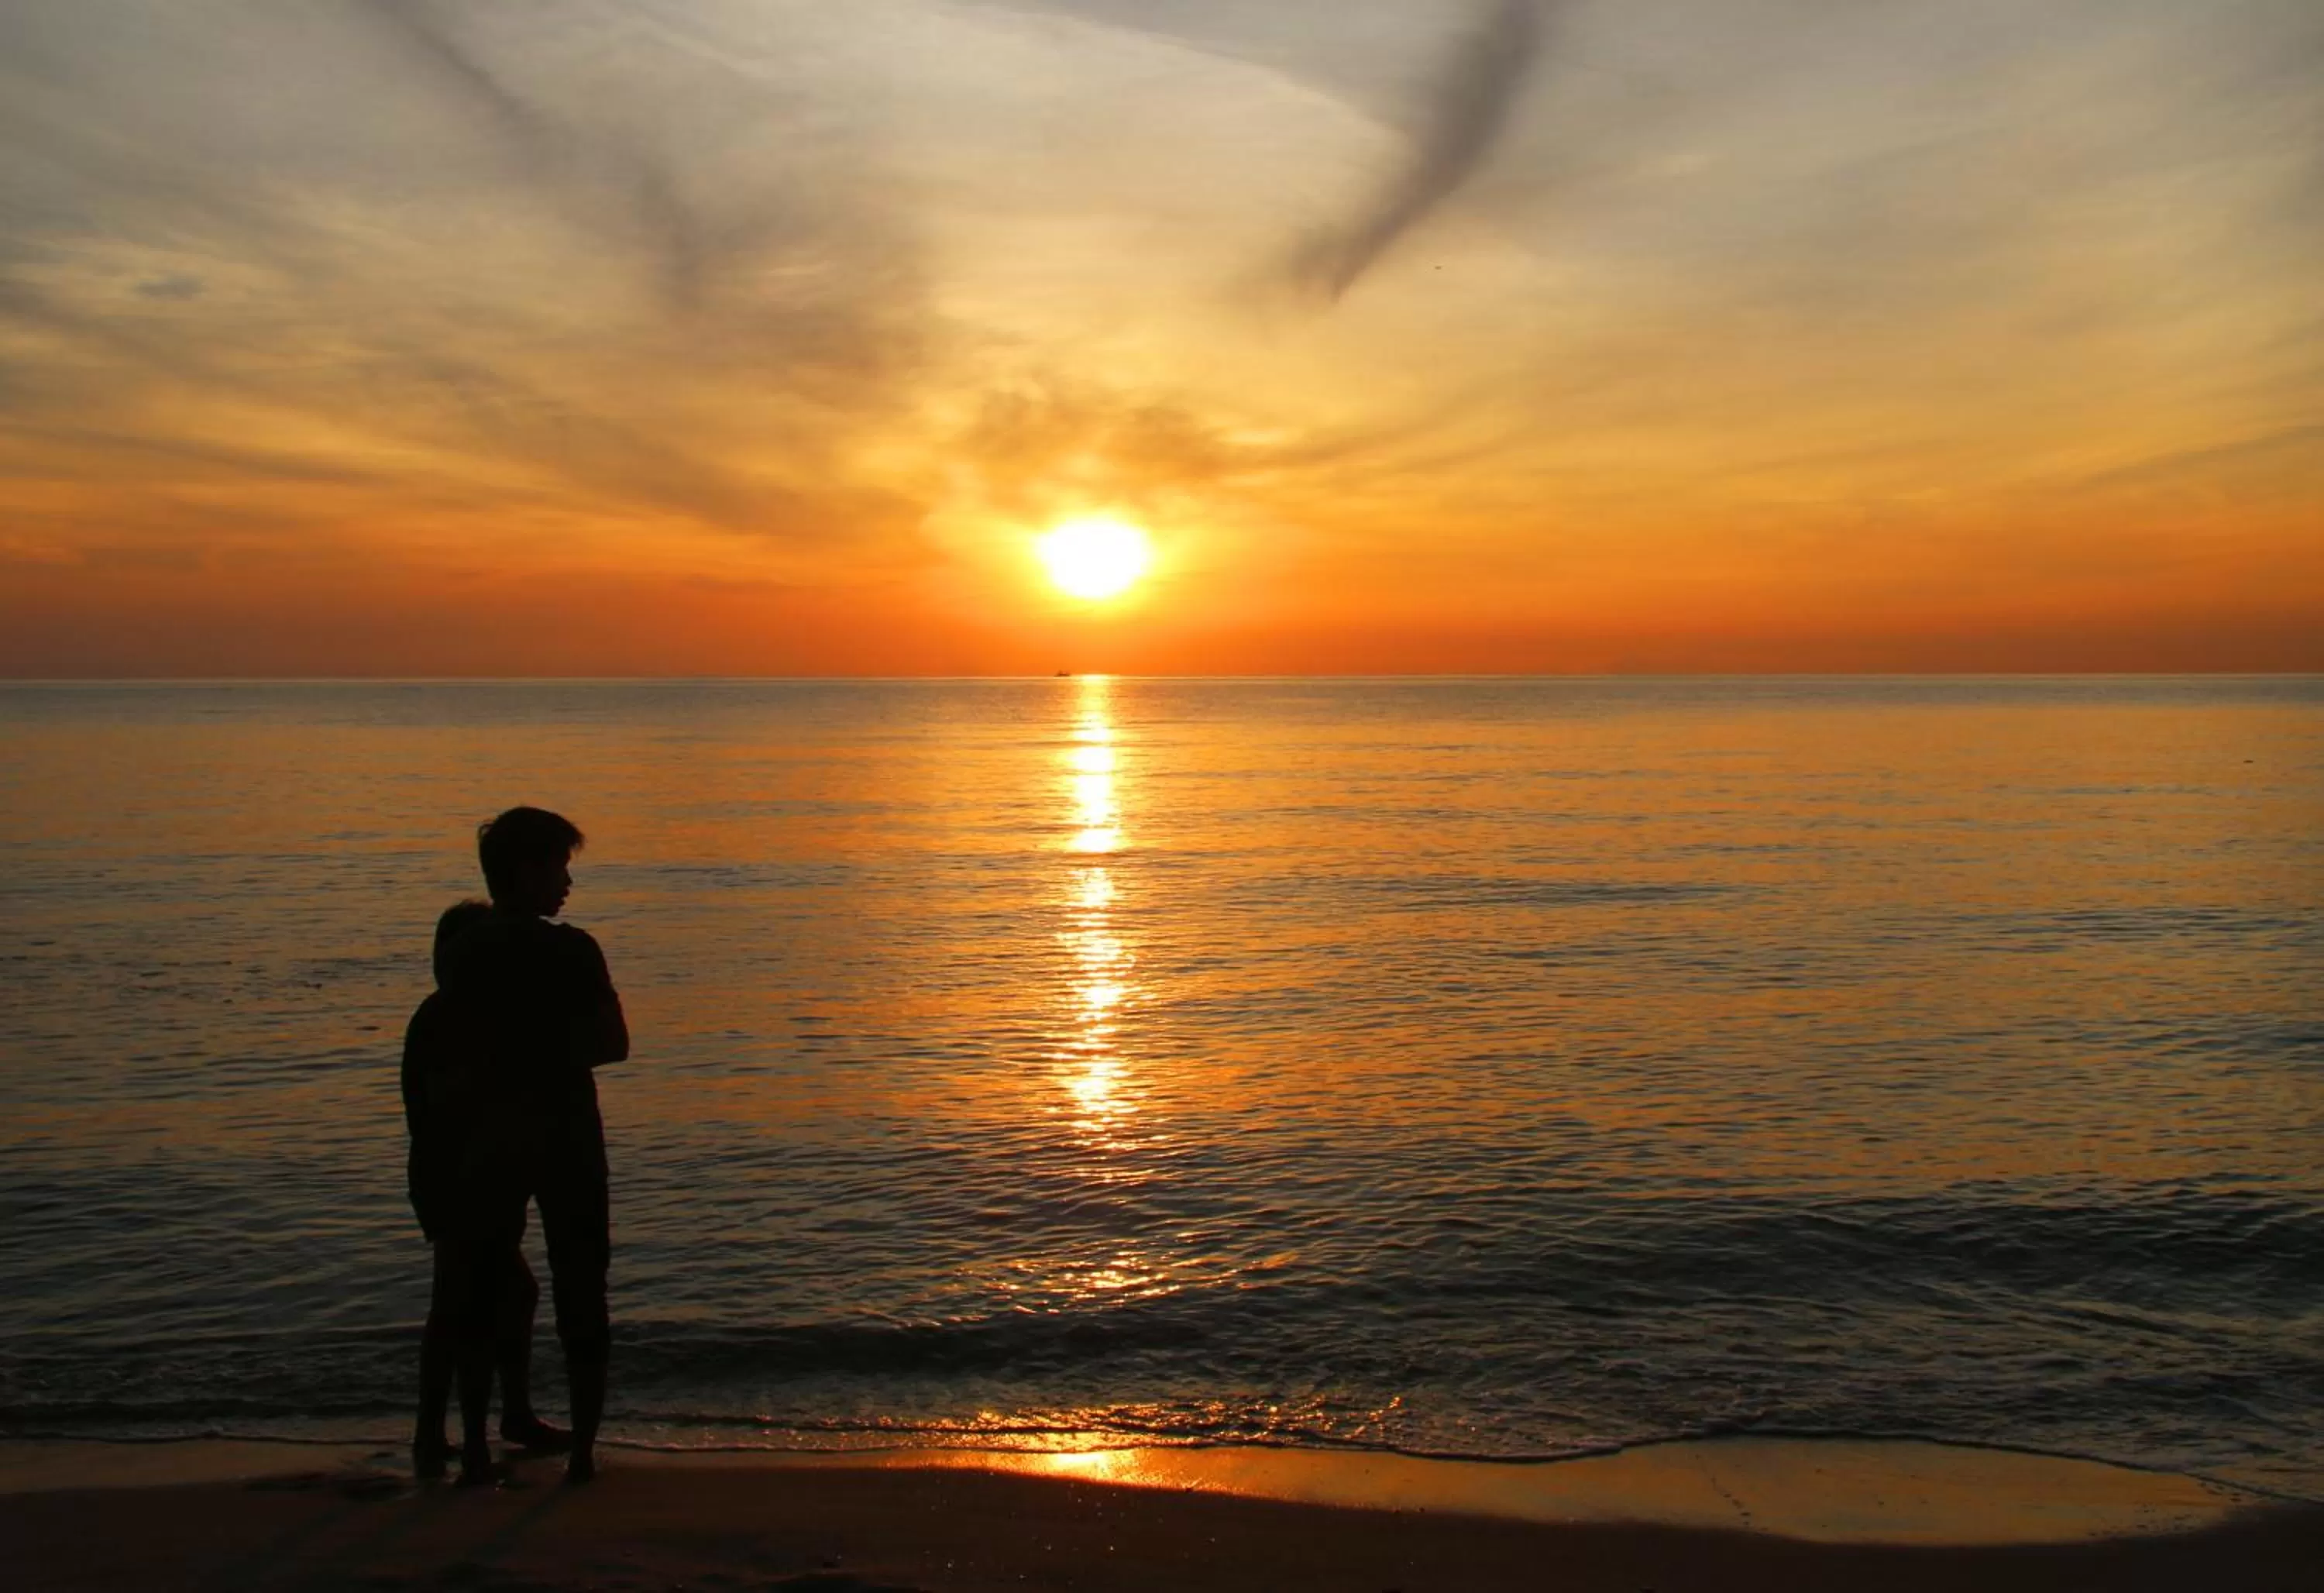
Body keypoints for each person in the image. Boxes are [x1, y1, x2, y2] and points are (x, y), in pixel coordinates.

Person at [440, 807, 628, 1486]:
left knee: (483, 1284)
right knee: (582, 1285)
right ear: (526, 870)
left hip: (485, 1136)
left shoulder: (462, 952)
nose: (568, 881)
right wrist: (552, 1052)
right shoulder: (573, 950)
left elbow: (450, 1048)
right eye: (559, 866)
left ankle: (477, 1448)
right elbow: (614, 1043)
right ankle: (581, 1455)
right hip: (565, 1136)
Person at [401, 899, 569, 1481]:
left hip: (468, 1172)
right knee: (463, 1300)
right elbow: (449, 1103)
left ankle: (477, 1424)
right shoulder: (450, 1018)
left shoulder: (458, 1013)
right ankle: (462, 1434)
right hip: (460, 1175)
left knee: (498, 1293)